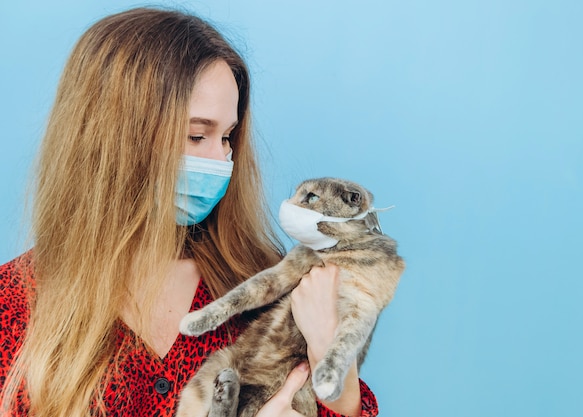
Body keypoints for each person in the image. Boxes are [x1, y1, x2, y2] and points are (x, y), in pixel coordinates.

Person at [0, 7, 378, 417]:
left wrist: (328, 347)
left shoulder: (268, 286)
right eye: (197, 135)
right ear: (114, 137)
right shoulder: (14, 304)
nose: (220, 160)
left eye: (228, 137)